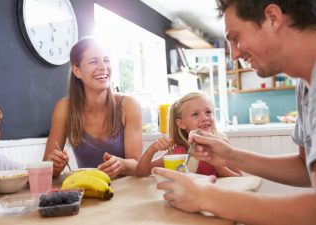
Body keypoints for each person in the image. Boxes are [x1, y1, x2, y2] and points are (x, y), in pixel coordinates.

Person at [153, 1, 316, 224]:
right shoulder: (305, 86)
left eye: (236, 38)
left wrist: (207, 197)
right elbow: (304, 167)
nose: (233, 55)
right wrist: (230, 155)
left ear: (272, 18)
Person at [43, 37, 143, 179]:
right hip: (88, 191)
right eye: (93, 61)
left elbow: (137, 165)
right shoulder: (64, 108)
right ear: (77, 71)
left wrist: (121, 164)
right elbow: (47, 167)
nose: (103, 67)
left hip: (125, 192)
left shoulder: (129, 105)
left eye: (106, 60)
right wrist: (55, 165)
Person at [135, 91, 240, 177]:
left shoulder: (222, 145)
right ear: (181, 123)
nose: (204, 118)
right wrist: (151, 150)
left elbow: (240, 179)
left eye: (208, 112)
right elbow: (141, 173)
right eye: (195, 114)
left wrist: (217, 165)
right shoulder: (179, 151)